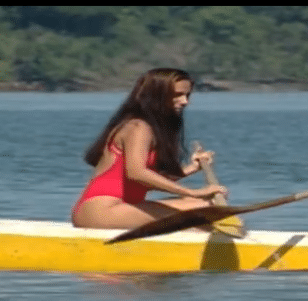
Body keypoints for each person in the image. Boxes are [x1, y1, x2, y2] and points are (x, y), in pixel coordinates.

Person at [71, 68, 227, 229]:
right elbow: (137, 173)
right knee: (207, 209)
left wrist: (191, 168)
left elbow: (146, 182)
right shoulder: (138, 127)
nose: (185, 101)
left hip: (121, 208)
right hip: (102, 211)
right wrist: (192, 191)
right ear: (156, 95)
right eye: (177, 95)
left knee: (203, 203)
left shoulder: (150, 128)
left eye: (187, 95)